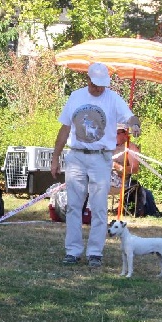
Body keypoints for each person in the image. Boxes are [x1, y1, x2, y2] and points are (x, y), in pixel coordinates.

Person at [50, 62, 141, 267]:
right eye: (96, 84)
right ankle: (72, 251)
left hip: (100, 158)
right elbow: (64, 129)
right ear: (88, 80)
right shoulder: (76, 97)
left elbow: (130, 116)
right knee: (74, 206)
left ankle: (95, 253)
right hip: (76, 157)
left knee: (99, 207)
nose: (99, 88)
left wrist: (135, 124)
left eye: (102, 85)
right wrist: (55, 159)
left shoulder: (113, 98)